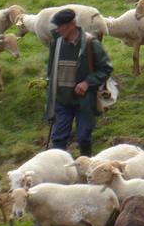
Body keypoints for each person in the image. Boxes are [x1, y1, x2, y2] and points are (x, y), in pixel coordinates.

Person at [44, 8, 113, 155]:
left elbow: (106, 68)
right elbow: (51, 70)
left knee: (83, 138)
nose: (57, 29)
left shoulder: (90, 43)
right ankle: (58, 170)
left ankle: (86, 169)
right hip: (62, 100)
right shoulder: (55, 44)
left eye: (60, 26)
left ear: (71, 25)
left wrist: (87, 83)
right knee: (58, 139)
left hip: (84, 101)